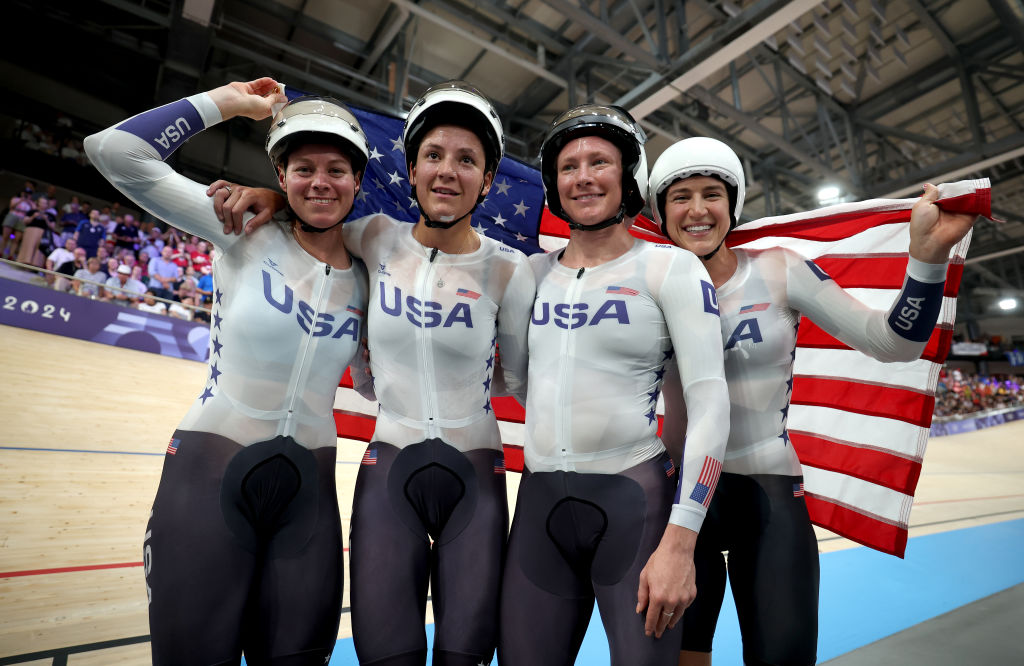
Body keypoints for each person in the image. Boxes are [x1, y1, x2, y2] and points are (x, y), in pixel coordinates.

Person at [213, 80, 535, 666]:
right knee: (387, 656)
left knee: (466, 656)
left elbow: (515, 379)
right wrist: (279, 196)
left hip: (476, 480)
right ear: (411, 170)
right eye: (433, 155)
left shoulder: (510, 269)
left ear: (488, 181)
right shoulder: (376, 238)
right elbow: (319, 213)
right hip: (390, 470)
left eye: (467, 160)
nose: (447, 171)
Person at [646, 137, 980, 666]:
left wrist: (927, 259)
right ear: (661, 213)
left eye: (712, 193)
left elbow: (895, 343)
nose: (697, 209)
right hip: (679, 500)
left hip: (769, 493)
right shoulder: (643, 284)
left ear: (732, 205)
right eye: (680, 197)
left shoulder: (779, 270)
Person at [84, 77, 371, 665]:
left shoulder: (372, 272)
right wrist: (230, 103)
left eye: (336, 170)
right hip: (209, 471)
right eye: (303, 168)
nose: (320, 182)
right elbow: (112, 151)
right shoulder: (240, 226)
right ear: (280, 176)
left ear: (359, 182)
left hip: (310, 492)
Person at [497, 106, 729, 666]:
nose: (583, 176)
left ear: (628, 176)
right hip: (541, 503)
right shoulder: (529, 275)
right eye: (569, 165)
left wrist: (681, 539)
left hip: (636, 505)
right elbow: (519, 382)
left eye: (599, 161)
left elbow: (709, 404)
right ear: (553, 183)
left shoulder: (670, 268)